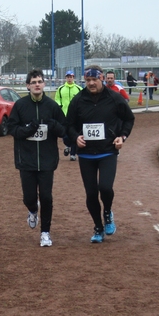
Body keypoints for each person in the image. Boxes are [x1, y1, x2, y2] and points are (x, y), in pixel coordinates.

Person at [65, 65, 135, 243]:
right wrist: (75, 137)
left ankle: (108, 213)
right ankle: (98, 227)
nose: (91, 83)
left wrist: (122, 136)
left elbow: (129, 118)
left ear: (101, 78)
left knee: (105, 187)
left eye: (94, 79)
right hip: (86, 154)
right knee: (91, 194)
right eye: (88, 80)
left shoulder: (114, 98)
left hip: (107, 151)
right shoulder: (78, 100)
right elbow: (69, 125)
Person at [6, 69, 67, 247]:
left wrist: (53, 125)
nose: (37, 85)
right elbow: (12, 129)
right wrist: (28, 130)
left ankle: (45, 233)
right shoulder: (20, 106)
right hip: (26, 160)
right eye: (33, 82)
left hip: (47, 160)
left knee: (46, 197)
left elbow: (64, 129)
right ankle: (33, 210)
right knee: (29, 197)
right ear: (28, 86)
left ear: (44, 84)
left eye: (40, 81)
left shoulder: (52, 106)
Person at [54, 69, 82, 161]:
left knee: (74, 133)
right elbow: (57, 99)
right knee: (64, 134)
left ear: (73, 78)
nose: (69, 79)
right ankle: (68, 145)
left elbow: (82, 101)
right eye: (68, 77)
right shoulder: (61, 89)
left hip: (75, 116)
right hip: (64, 115)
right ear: (65, 78)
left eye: (71, 77)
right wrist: (59, 107)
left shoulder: (78, 89)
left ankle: (73, 154)